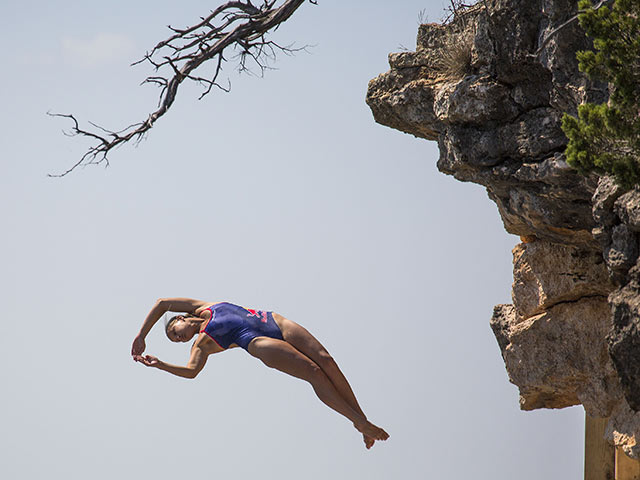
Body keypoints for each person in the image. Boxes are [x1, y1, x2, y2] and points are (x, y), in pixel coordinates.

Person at [131, 298, 389, 449]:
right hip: (255, 341)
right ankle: (358, 421)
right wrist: (162, 364)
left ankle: (362, 422)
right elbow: (191, 371)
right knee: (314, 372)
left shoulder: (204, 307)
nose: (178, 337)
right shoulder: (201, 343)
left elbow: (162, 303)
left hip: (273, 321)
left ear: (183, 318)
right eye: (176, 340)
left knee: (327, 361)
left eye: (176, 331)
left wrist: (142, 335)